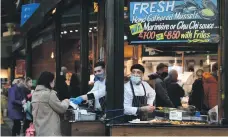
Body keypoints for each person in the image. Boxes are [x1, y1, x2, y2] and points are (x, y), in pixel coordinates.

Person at [31, 71, 69, 136]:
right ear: (49, 82)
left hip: (38, 130)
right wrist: (66, 101)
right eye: (53, 81)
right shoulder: (50, 94)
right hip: (50, 131)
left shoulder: (34, 94)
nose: (54, 83)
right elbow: (62, 108)